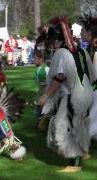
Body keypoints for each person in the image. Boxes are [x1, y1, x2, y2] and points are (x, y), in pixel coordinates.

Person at [39, 16, 96, 173]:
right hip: (85, 94)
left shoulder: (63, 53)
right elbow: (92, 74)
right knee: (80, 126)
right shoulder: (80, 50)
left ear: (56, 40)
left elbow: (59, 77)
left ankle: (74, 163)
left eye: (52, 41)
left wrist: (45, 96)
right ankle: (83, 153)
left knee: (65, 127)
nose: (52, 45)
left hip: (72, 96)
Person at [79, 14, 97, 141]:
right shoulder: (92, 48)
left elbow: (94, 75)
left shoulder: (95, 51)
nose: (80, 32)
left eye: (83, 30)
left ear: (89, 33)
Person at [33, 49, 50, 130]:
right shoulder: (38, 69)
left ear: (41, 59)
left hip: (45, 95)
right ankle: (40, 122)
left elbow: (49, 83)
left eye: (35, 58)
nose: (34, 60)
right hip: (40, 94)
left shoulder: (46, 69)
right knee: (38, 113)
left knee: (44, 111)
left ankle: (45, 123)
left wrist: (45, 96)